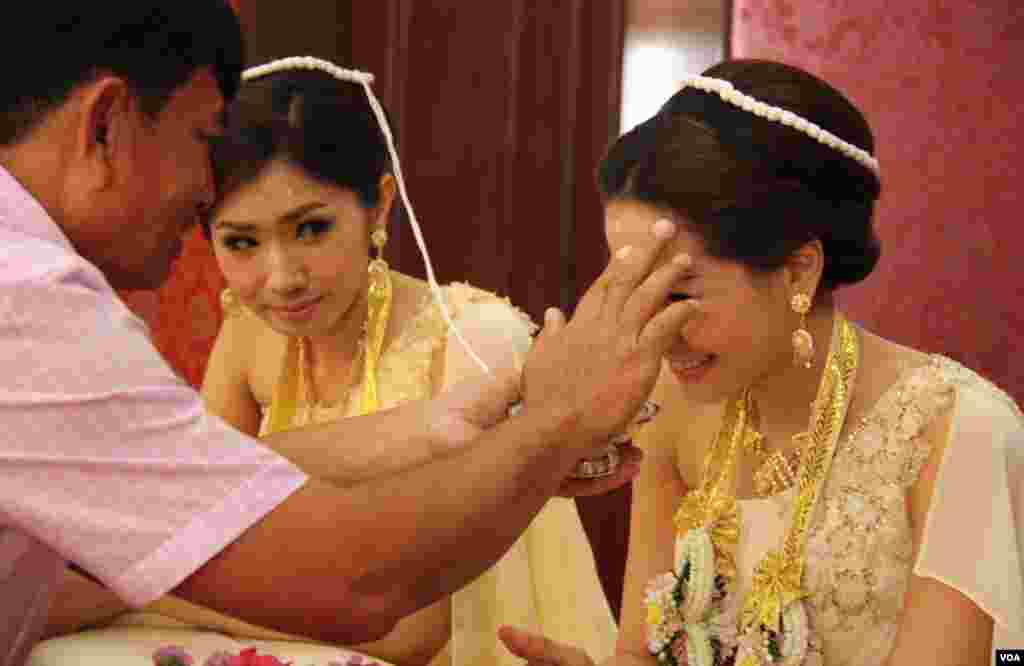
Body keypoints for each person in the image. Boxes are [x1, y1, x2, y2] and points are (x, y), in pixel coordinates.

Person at [0, 5, 700, 665]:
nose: (201, 192)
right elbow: (345, 581)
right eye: (203, 142)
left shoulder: (473, 333)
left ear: (379, 206)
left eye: (310, 228)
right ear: (105, 125)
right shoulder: (29, 297)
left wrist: (437, 429)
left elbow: (177, 517)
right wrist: (561, 418)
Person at [496, 59, 1024, 666]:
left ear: (799, 268)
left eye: (680, 293)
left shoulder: (959, 431)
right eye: (636, 291)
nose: (657, 332)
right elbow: (642, 653)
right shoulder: (672, 406)